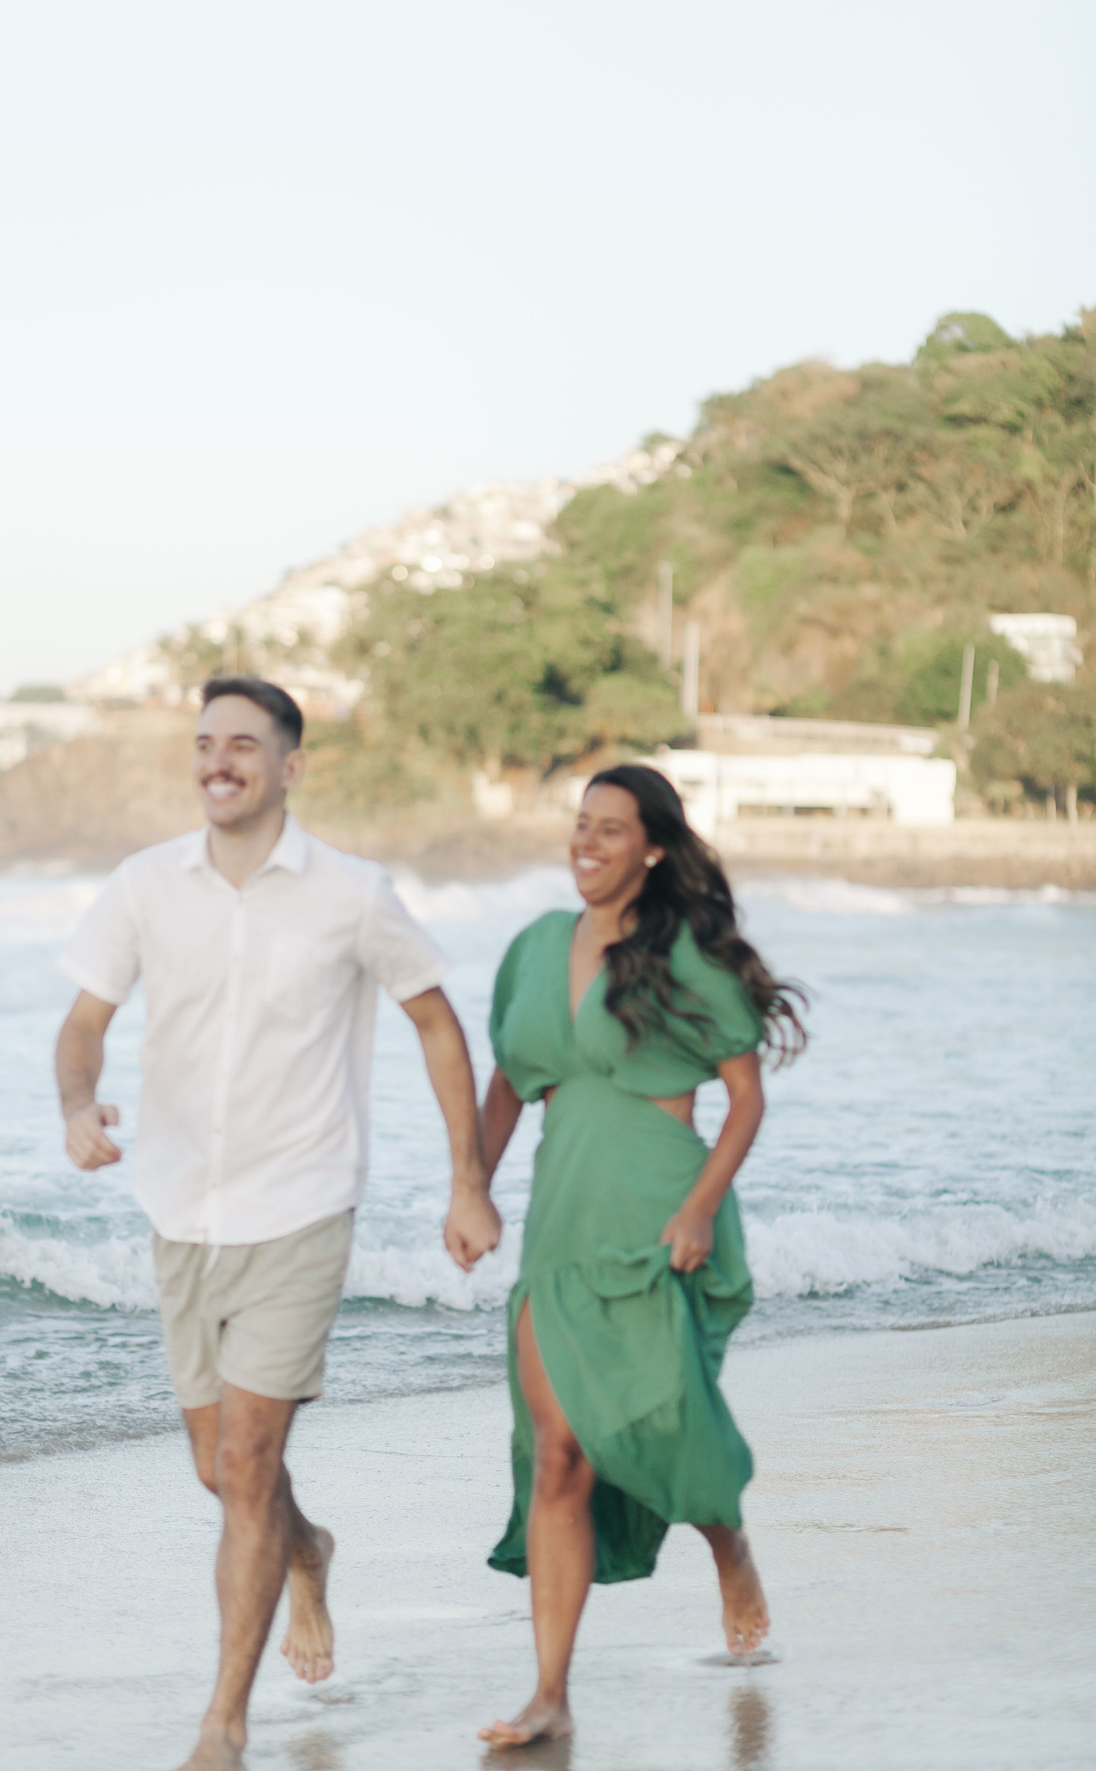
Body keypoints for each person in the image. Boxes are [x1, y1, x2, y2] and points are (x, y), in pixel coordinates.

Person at [55, 675, 500, 1771]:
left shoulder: (351, 894)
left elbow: (437, 1025)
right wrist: (77, 1104)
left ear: (291, 767)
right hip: (181, 1209)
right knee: (220, 1471)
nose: (220, 760)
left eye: (244, 745)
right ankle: (308, 1551)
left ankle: (223, 1725)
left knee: (250, 1464)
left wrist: (467, 1182)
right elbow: (85, 1021)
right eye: (207, 742)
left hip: (301, 1206)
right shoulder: (145, 885)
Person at [447, 763, 806, 1750]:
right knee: (557, 1456)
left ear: (652, 848)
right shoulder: (533, 947)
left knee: (663, 1428)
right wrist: (470, 1188)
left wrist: (699, 1210)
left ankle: (728, 1546)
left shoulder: (686, 953)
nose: (587, 842)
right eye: (580, 824)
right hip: (561, 1223)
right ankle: (549, 1695)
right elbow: (508, 1084)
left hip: (657, 1218)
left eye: (611, 828)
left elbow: (746, 1098)